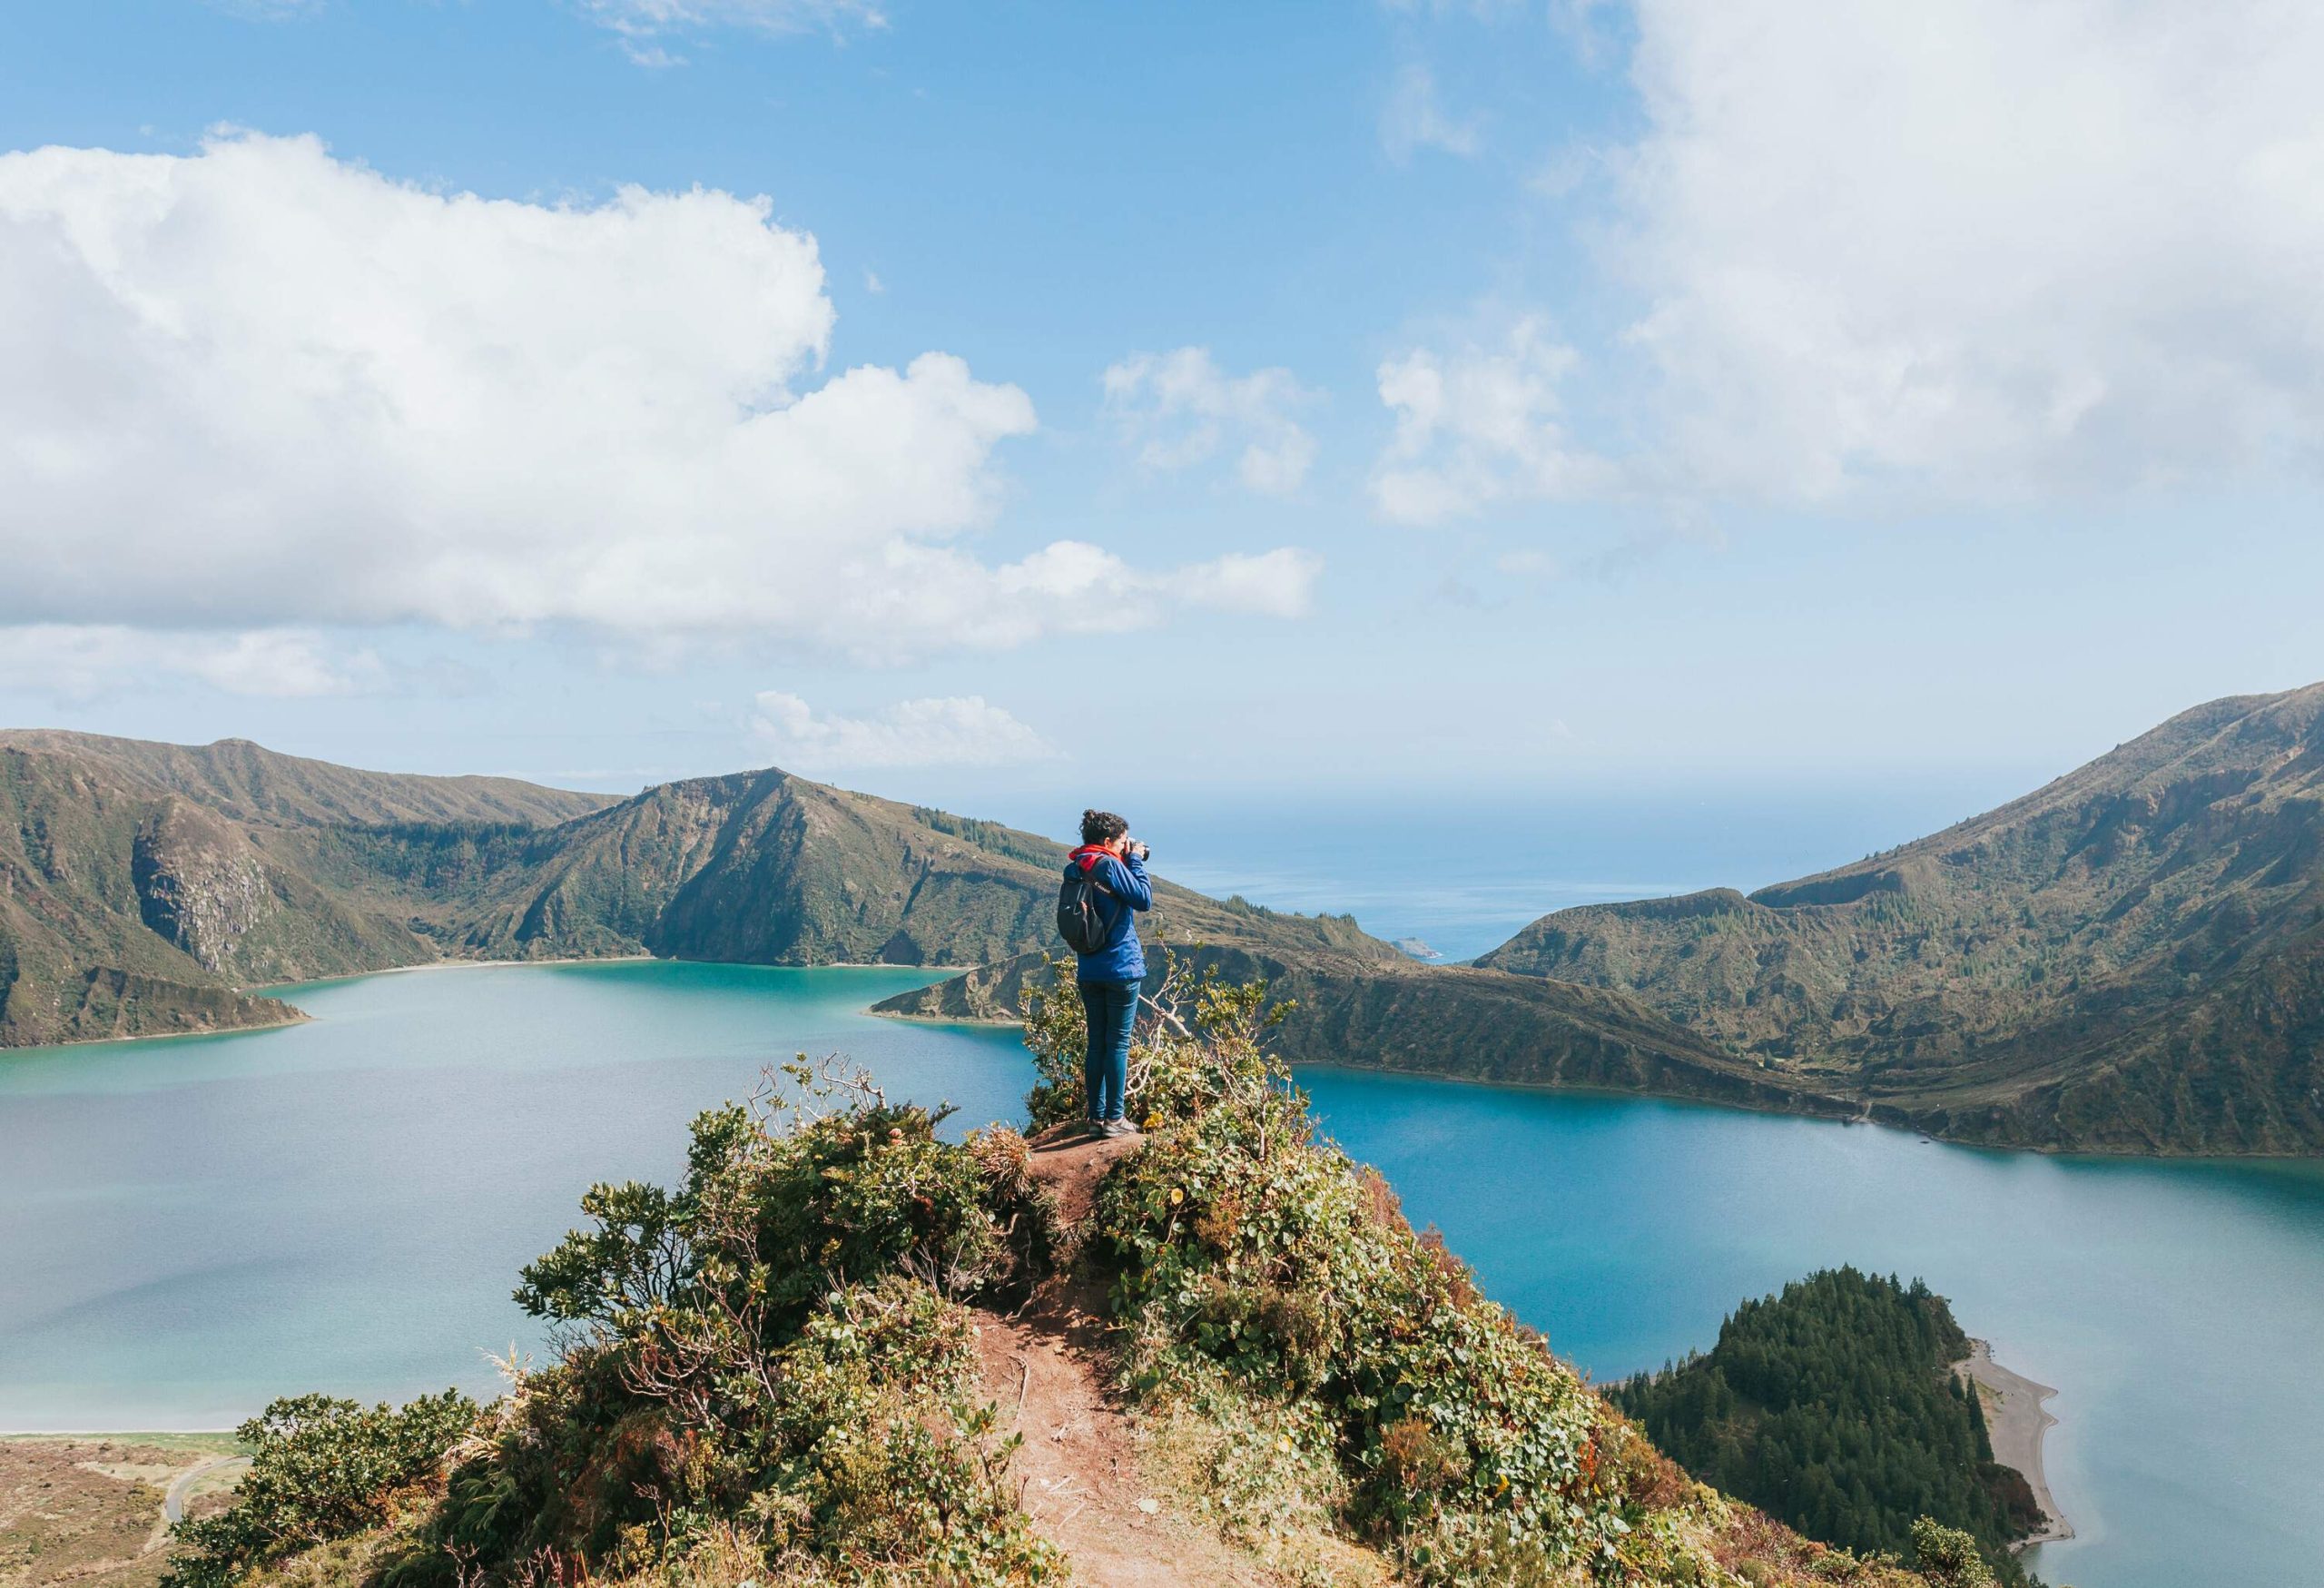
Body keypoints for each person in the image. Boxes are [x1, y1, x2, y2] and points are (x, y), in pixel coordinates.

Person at [1067, 808, 1153, 1138]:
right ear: (1107, 842)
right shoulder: (1110, 865)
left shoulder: (1076, 866)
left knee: (1096, 1044)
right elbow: (1143, 899)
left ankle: (1095, 1118)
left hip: (1089, 968)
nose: (1125, 846)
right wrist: (1137, 861)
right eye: (1121, 842)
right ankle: (1115, 1120)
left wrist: (1127, 858)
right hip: (1120, 968)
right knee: (1117, 1044)